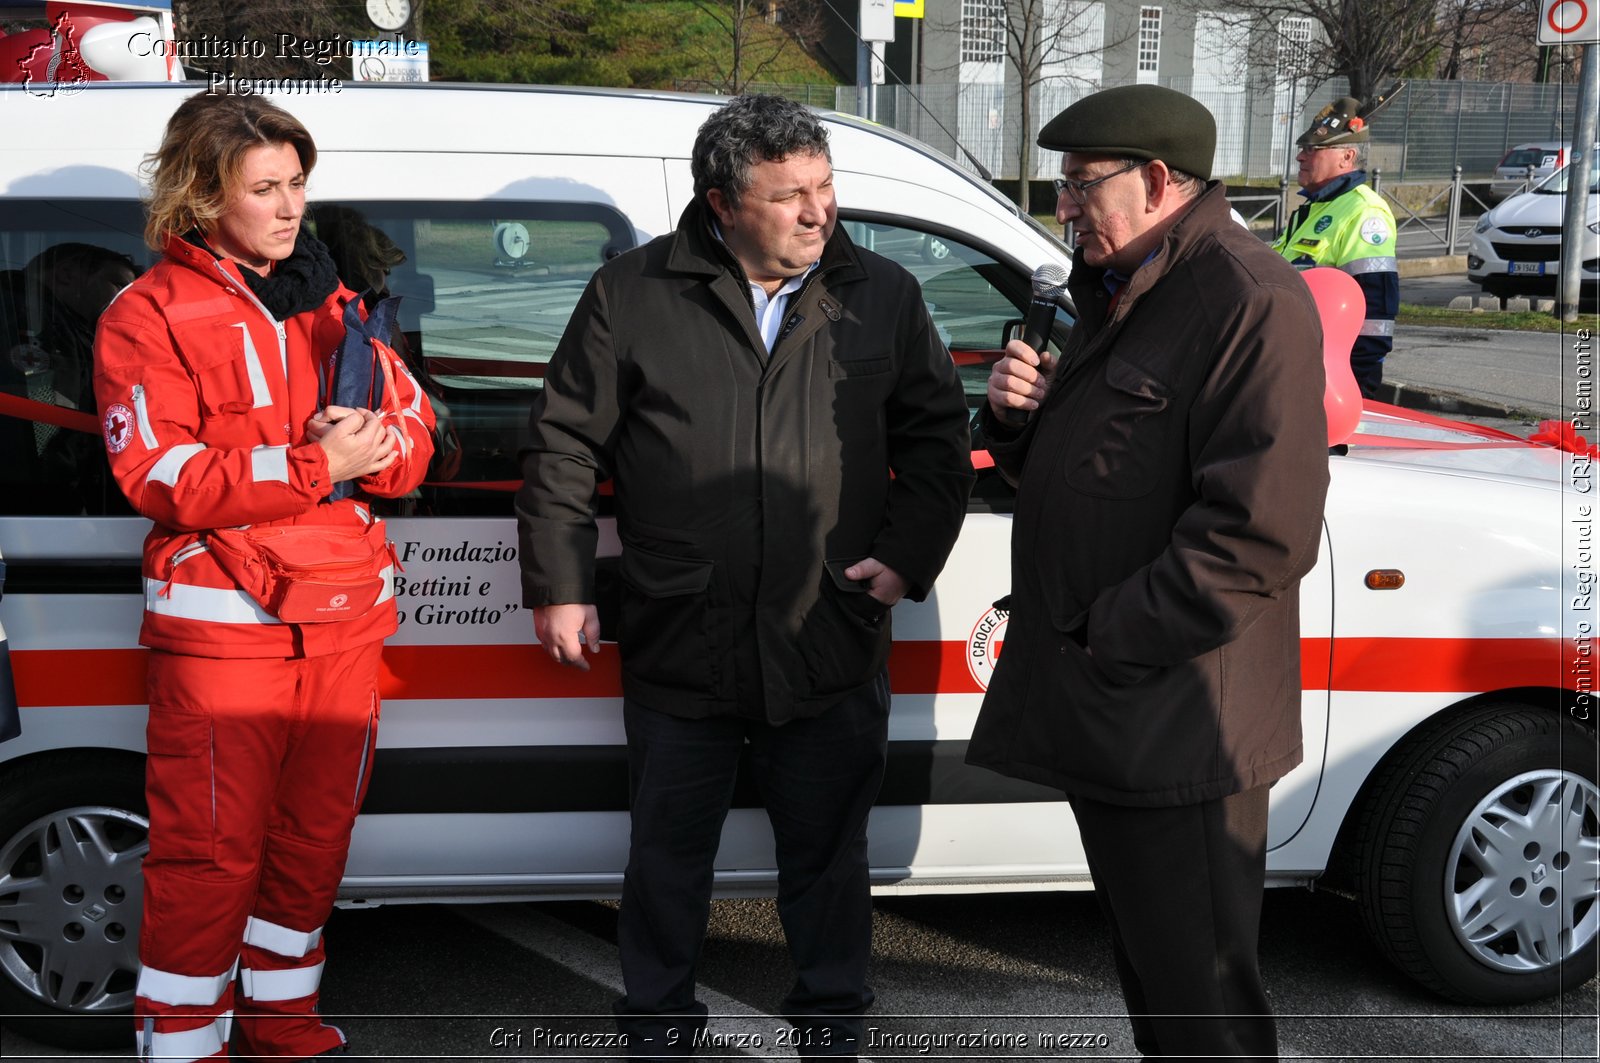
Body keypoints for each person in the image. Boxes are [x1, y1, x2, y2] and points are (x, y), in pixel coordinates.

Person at [515, 93, 973, 1058]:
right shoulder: (633, 292)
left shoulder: (882, 293)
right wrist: (560, 583)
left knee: (827, 861)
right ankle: (655, 1029)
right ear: (723, 203)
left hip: (829, 628)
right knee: (667, 859)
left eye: (825, 187)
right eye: (790, 195)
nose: (819, 213)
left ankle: (834, 1030)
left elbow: (938, 440)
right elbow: (562, 442)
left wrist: (903, 560)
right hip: (684, 632)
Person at [966, 84, 1330, 1061]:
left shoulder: (1244, 299)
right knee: (1157, 983)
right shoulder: (1130, 289)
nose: (1064, 207)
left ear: (1159, 179)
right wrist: (1014, 423)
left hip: (1180, 727)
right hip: (1124, 713)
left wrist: (1103, 637)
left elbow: (1257, 534)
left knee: (1200, 999)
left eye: (1081, 185)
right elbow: (1100, 471)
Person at [93, 91, 435, 1062]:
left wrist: (381, 448)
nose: (290, 207)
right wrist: (325, 466)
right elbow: (161, 475)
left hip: (342, 625)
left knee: (313, 845)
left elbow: (415, 435)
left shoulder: (335, 301)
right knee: (207, 860)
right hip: (223, 637)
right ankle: (182, 1047)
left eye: (297, 184)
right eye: (265, 188)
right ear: (203, 195)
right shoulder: (147, 312)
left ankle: (285, 1028)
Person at [1272, 94, 1399, 398]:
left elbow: (1376, 312)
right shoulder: (1313, 208)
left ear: (1347, 157)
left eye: (1313, 150)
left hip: (1330, 381)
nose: (1301, 157)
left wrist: (1353, 384)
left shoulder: (1365, 212)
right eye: (1303, 148)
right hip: (1292, 368)